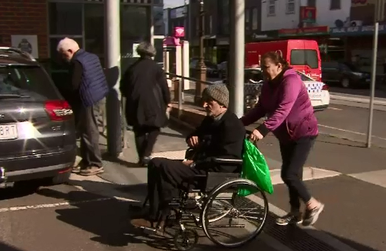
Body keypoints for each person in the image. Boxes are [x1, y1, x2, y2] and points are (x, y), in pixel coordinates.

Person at [129, 84, 246, 230]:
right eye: (204, 101)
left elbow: (226, 161)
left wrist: (195, 163)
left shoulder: (232, 125)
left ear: (222, 103)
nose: (204, 105)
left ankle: (161, 217)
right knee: (155, 164)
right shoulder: (211, 120)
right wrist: (193, 137)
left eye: (209, 102)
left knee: (165, 168)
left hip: (212, 172)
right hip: (202, 165)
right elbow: (195, 132)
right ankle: (154, 210)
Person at [240, 51, 325, 227]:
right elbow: (261, 108)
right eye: (262, 68)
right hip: (285, 135)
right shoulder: (268, 84)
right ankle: (295, 213)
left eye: (266, 68)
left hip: (303, 132)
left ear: (279, 66)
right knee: (294, 175)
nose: (263, 72)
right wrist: (239, 123)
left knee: (289, 173)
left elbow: (283, 109)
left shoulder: (291, 80)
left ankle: (313, 204)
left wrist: (262, 129)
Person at [57, 37, 108, 176]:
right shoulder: (91, 57)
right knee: (88, 130)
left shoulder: (77, 61)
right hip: (99, 95)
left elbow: (74, 85)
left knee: (89, 132)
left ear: (70, 50)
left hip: (88, 99)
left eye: (63, 54)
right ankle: (87, 161)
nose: (63, 57)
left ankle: (95, 163)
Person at [120, 42, 171, 167]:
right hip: (153, 103)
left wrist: (132, 96)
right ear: (152, 53)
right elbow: (164, 87)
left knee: (139, 130)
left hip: (135, 103)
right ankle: (146, 154)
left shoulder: (131, 68)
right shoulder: (156, 68)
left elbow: (123, 87)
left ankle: (142, 157)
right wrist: (168, 101)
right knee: (154, 128)